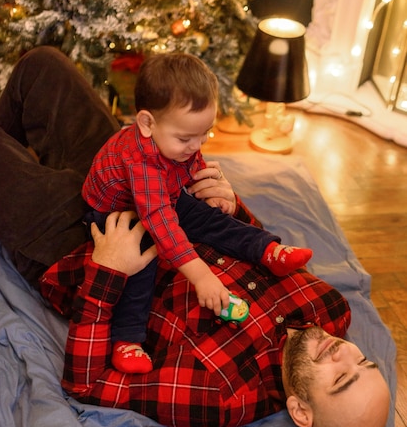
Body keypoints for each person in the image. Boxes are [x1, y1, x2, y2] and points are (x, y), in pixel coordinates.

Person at [0, 46, 390, 427]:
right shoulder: (330, 308)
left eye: (340, 380)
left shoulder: (219, 395)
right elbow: (250, 242)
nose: (344, 354)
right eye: (364, 363)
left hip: (81, 246)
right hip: (146, 181)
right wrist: (230, 205)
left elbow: (86, 384)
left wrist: (107, 272)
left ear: (301, 411)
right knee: (43, 67)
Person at [82, 52, 312, 374]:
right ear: (147, 124)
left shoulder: (179, 140)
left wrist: (202, 182)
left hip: (165, 196)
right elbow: (161, 224)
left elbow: (190, 162)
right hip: (118, 215)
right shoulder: (141, 162)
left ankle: (267, 249)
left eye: (204, 133)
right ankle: (128, 339)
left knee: (213, 219)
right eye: (186, 137)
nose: (197, 143)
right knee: (142, 261)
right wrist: (202, 277)